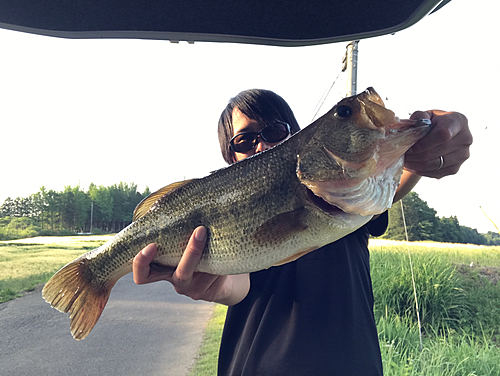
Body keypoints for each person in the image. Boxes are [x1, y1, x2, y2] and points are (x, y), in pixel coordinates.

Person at [133, 89, 472, 375]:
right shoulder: (225, 215)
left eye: (274, 131)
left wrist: (435, 133)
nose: (261, 146)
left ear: (297, 136)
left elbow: (403, 164)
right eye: (245, 140)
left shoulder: (353, 197)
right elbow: (236, 285)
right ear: (229, 157)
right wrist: (218, 284)